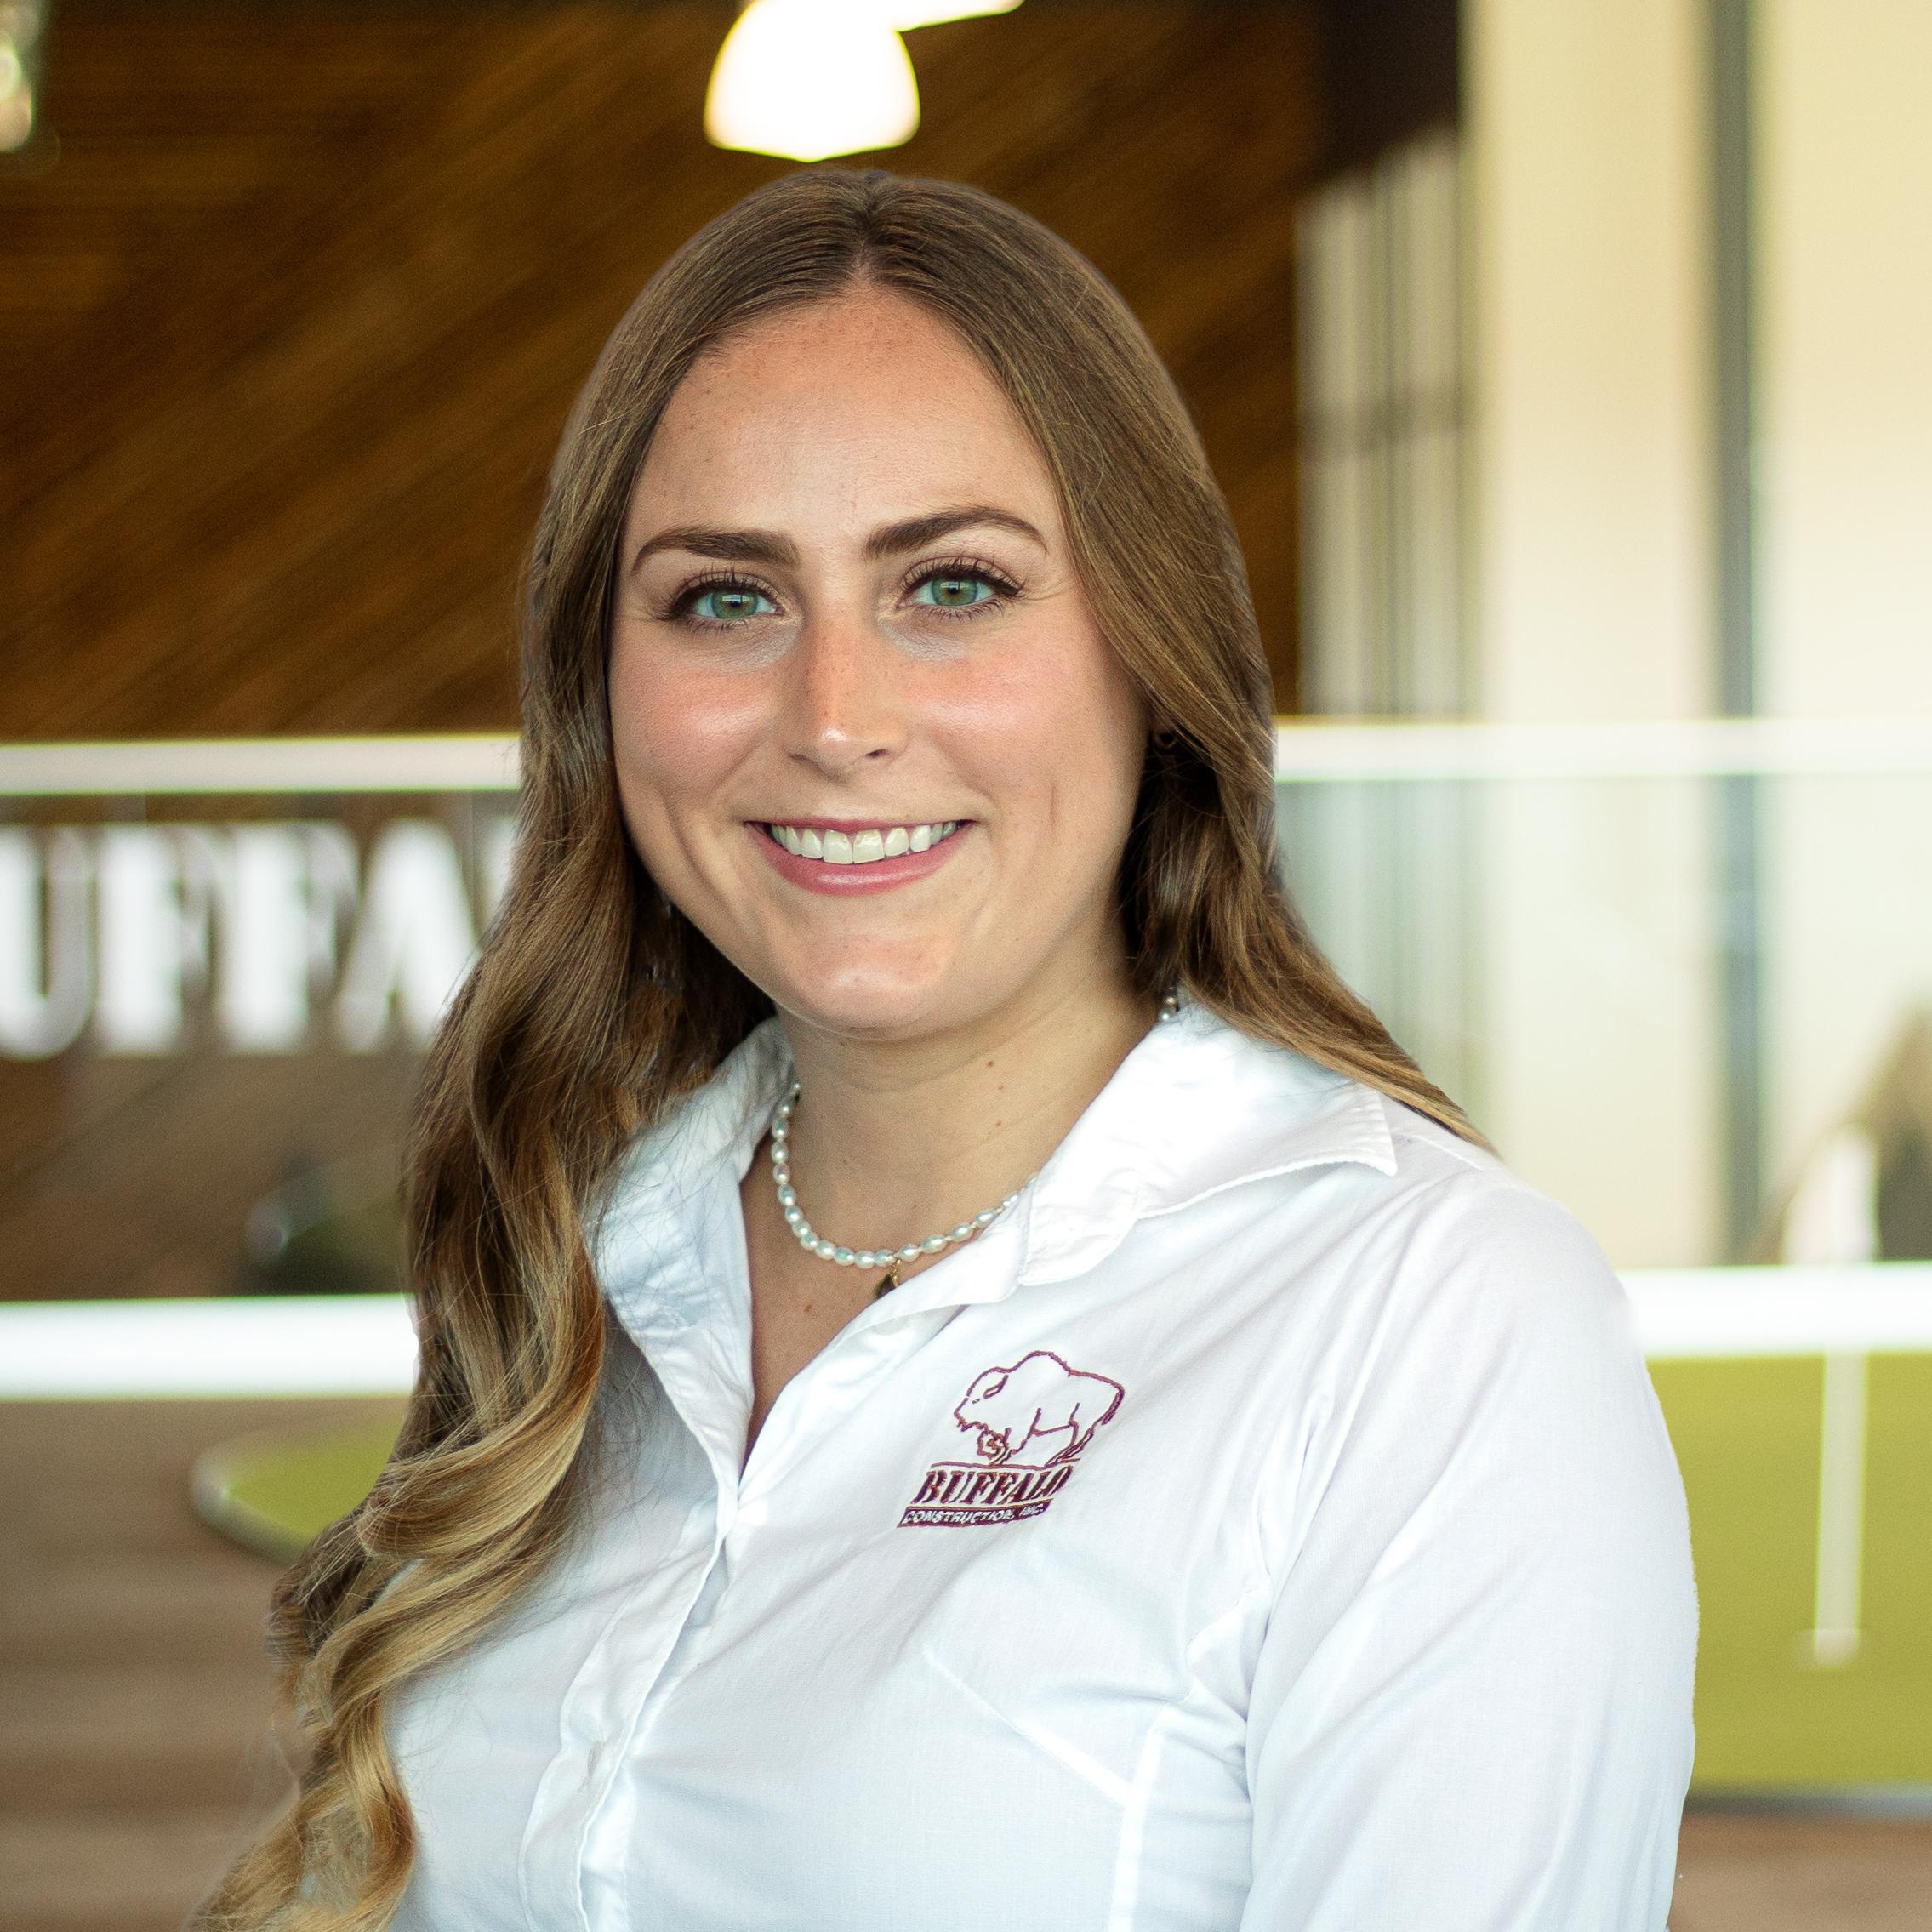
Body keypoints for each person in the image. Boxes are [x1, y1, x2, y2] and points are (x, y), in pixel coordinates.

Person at [196, 168, 1696, 1932]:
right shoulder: (589, 1254)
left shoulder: (1426, 1320)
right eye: (725, 600)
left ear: (1149, 651)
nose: (835, 717)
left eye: (953, 583)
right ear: (599, 689)